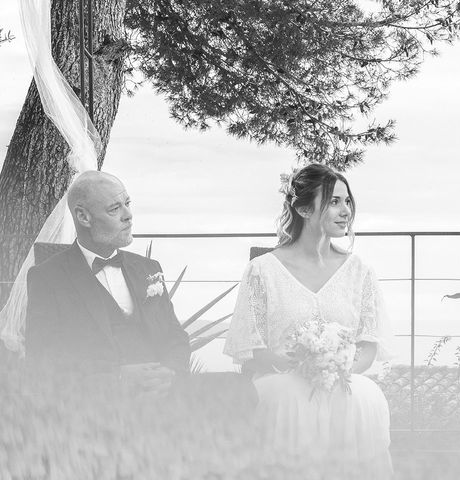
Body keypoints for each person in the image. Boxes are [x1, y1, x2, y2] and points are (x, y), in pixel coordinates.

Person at [224, 164, 394, 479]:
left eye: (347, 201)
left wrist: (337, 368)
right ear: (303, 208)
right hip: (281, 378)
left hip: (343, 380)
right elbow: (254, 348)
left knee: (362, 396)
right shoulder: (263, 271)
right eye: (333, 201)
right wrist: (301, 366)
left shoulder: (360, 272)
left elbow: (369, 346)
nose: (346, 211)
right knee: (289, 398)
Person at [25, 171, 190, 396]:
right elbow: (43, 360)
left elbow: (175, 335)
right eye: (115, 209)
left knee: (241, 391)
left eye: (128, 203)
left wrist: (171, 373)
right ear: (84, 217)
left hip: (163, 401)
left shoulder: (149, 269)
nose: (128, 215)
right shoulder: (47, 277)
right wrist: (117, 380)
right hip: (98, 409)